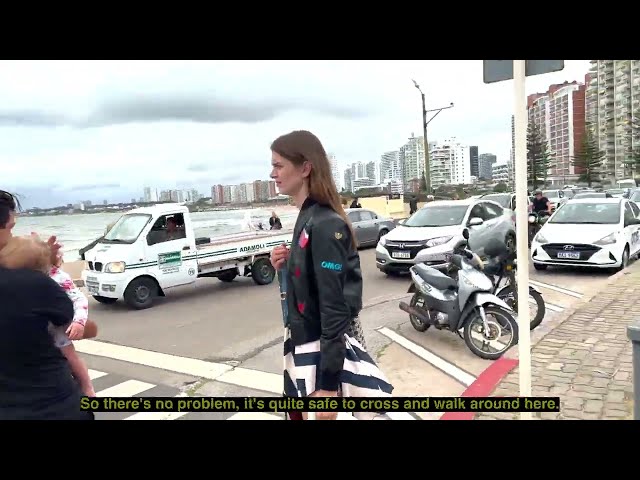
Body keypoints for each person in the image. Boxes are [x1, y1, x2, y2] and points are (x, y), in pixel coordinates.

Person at [269, 130, 393, 421]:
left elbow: (334, 308)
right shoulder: (308, 216)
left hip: (320, 355)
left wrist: (327, 387)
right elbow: (312, 287)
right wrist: (288, 265)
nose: (272, 173)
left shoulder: (325, 223)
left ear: (305, 168)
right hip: (303, 344)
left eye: (278, 165)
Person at [0, 236, 94, 419]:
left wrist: (79, 323)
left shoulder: (53, 278)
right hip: (50, 402)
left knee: (71, 355)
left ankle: (88, 387)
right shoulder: (34, 282)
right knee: (70, 356)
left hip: (55, 330)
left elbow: (78, 301)